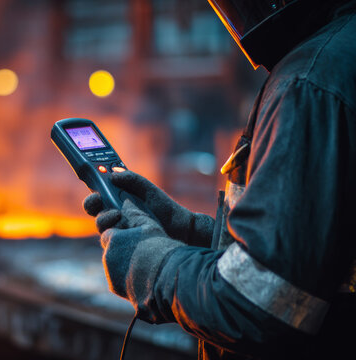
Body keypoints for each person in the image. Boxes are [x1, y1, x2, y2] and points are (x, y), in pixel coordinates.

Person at [83, 0, 356, 358]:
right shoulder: (341, 52)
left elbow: (257, 305)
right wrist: (193, 232)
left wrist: (152, 265)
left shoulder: (308, 82)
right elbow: (320, 246)